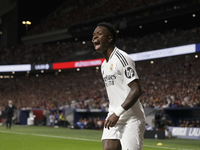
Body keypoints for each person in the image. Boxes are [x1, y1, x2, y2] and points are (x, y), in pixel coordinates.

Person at [92, 22, 146, 150]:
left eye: (99, 34)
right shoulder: (104, 65)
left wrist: (117, 113)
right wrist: (114, 113)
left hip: (131, 118)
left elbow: (137, 90)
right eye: (93, 35)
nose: (94, 37)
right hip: (114, 115)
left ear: (110, 39)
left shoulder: (122, 58)